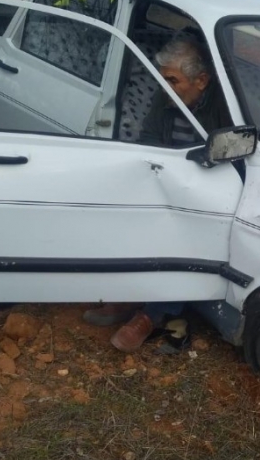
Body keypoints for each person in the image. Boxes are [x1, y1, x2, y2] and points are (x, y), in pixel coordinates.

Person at [82, 34, 231, 352]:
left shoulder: (222, 107)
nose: (165, 87)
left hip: (203, 192)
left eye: (174, 80)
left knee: (180, 239)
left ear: (201, 81)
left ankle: (153, 313)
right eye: (163, 79)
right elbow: (149, 137)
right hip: (167, 179)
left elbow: (226, 159)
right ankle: (126, 297)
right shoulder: (167, 97)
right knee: (124, 216)